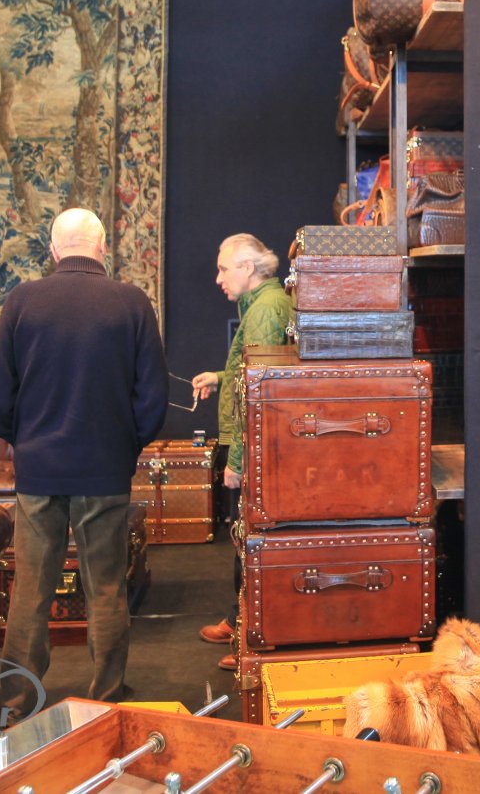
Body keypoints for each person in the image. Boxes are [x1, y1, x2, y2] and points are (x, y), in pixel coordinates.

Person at [0, 207, 167, 716]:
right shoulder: (131, 303)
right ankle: (107, 697)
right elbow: (153, 398)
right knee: (106, 587)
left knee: (29, 590)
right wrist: (126, 447)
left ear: (54, 249)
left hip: (38, 470)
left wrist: (24, 442)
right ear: (103, 247)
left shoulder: (22, 301)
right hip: (105, 470)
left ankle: (17, 702)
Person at [190, 233, 293, 670]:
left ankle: (249, 636)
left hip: (252, 448)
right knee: (245, 539)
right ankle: (241, 623)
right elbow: (247, 373)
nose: (218, 278)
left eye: (223, 268)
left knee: (249, 541)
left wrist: (237, 461)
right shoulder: (261, 305)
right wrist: (219, 376)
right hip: (254, 444)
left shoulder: (265, 309)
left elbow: (258, 395)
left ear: (248, 268)